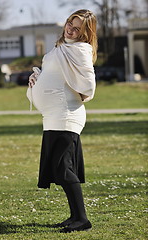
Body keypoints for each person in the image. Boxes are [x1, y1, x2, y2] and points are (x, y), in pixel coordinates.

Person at [27, 9, 97, 233]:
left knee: (63, 169)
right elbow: (57, 75)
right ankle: (75, 216)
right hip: (53, 117)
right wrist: (37, 81)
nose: (70, 29)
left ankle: (83, 220)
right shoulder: (62, 48)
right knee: (63, 168)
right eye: (70, 23)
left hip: (66, 115)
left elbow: (87, 83)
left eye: (77, 28)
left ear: (85, 33)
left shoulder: (80, 50)